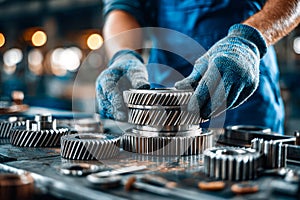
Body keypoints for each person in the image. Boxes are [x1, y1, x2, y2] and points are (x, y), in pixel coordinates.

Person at [96, 0, 300, 134]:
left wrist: (249, 41)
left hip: (243, 90)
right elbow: (122, 8)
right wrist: (123, 54)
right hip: (163, 102)